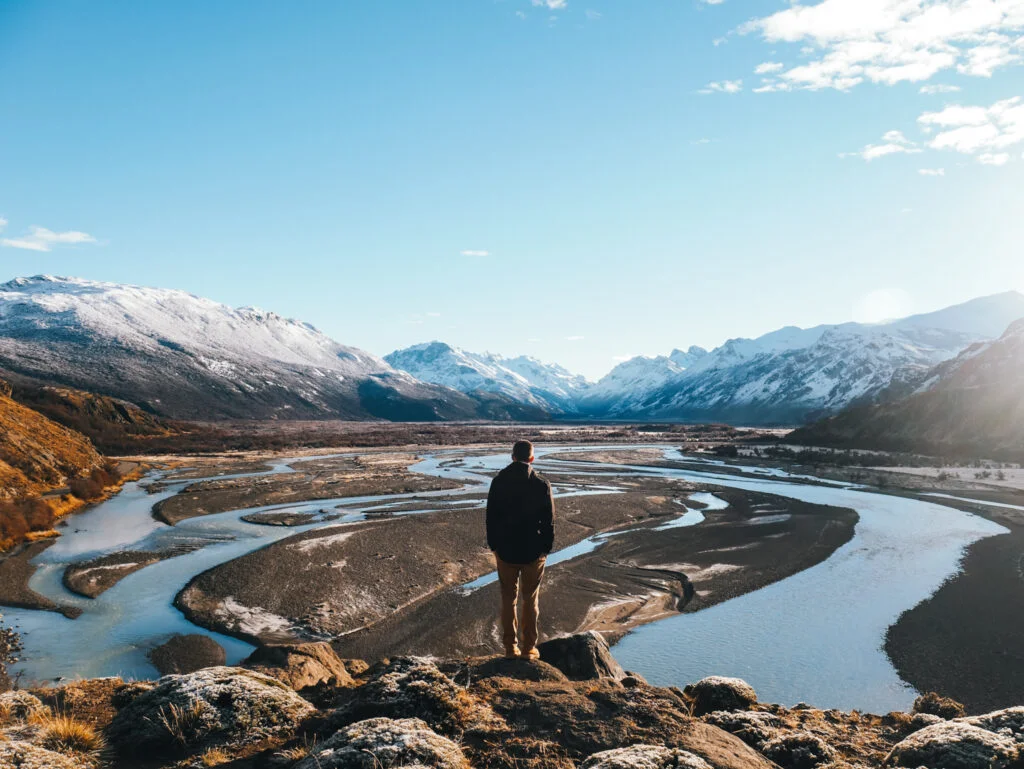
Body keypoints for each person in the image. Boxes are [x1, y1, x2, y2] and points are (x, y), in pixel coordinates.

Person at [485, 440, 555, 659]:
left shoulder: (498, 482)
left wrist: (495, 546)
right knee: (530, 599)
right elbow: (549, 521)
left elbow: (491, 518)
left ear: (512, 457)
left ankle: (509, 648)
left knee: (508, 598)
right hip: (533, 552)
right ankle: (528, 649)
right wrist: (546, 548)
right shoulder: (541, 484)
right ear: (531, 459)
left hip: (505, 550)